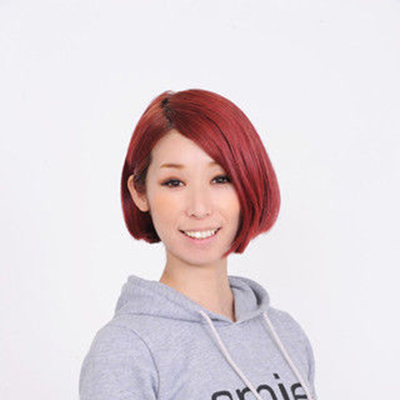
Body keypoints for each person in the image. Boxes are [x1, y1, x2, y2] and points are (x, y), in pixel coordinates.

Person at [79, 89, 318, 400]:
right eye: (174, 182)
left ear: (249, 183)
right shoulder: (126, 349)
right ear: (140, 193)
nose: (200, 208)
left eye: (220, 179)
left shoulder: (285, 334)